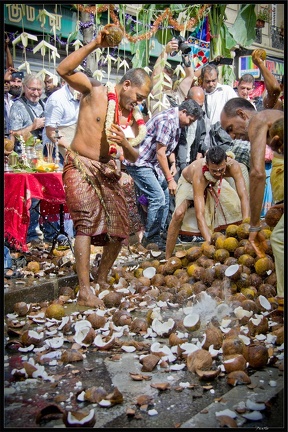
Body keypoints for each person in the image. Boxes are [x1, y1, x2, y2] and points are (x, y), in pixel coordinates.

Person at [56, 26, 152, 308]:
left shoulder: (134, 118)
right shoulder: (96, 91)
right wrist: (96, 44)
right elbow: (63, 69)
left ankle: (101, 278)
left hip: (109, 172)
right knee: (84, 224)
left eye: (143, 100)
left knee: (120, 230)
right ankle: (84, 290)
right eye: (139, 96)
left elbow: (134, 157)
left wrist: (126, 142)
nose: (139, 103)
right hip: (79, 165)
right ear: (126, 86)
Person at [220, 97, 284, 309]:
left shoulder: (258, 119)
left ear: (242, 115)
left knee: (279, 240)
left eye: (231, 128)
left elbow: (257, 174)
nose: (232, 135)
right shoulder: (273, 118)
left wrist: (254, 225)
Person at [123, 99, 203, 250]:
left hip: (152, 164)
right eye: (190, 120)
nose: (190, 124)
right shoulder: (167, 120)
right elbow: (160, 154)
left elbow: (167, 149)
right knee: (157, 197)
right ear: (183, 112)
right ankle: (150, 238)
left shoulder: (178, 122)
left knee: (165, 196)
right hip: (140, 162)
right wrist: (169, 178)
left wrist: (173, 163)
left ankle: (162, 234)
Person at [166, 146, 250, 259]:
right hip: (189, 183)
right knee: (178, 214)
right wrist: (211, 244)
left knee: (235, 206)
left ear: (226, 162)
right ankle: (167, 257)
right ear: (207, 165)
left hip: (214, 183)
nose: (218, 173)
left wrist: (245, 226)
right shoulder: (199, 175)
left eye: (221, 170)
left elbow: (244, 196)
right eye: (214, 171)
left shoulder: (233, 166)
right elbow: (200, 214)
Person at [9, 73, 46, 246]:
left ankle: (48, 232)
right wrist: (33, 126)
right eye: (32, 89)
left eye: (39, 89)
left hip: (43, 159)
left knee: (46, 195)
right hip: (24, 160)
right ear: (24, 88)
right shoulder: (18, 107)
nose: (36, 93)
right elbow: (13, 135)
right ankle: (27, 234)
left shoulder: (44, 105)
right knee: (30, 198)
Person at [149, 39, 195, 117]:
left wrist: (185, 54)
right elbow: (156, 74)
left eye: (169, 77)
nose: (167, 79)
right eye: (164, 76)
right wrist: (166, 52)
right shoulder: (155, 94)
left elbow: (190, 76)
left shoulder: (178, 95)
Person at [200, 64, 237, 148]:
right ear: (202, 80)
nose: (211, 84)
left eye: (214, 80)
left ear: (218, 78)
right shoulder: (201, 94)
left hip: (224, 138)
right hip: (207, 139)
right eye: (208, 81)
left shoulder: (226, 91)